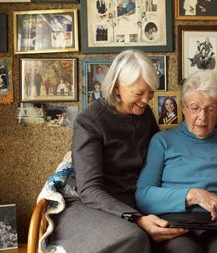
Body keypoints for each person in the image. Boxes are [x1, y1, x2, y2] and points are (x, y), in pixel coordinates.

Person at [48, 50, 187, 252]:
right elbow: (90, 190)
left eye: (150, 92)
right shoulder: (90, 121)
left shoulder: (145, 114)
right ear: (117, 88)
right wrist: (137, 218)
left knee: (179, 239)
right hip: (89, 204)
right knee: (133, 237)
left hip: (135, 200)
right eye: (139, 93)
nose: (146, 100)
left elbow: (161, 157)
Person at [136, 70, 217, 253]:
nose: (202, 117)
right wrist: (192, 195)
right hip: (177, 223)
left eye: (210, 109)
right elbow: (143, 195)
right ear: (184, 107)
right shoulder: (162, 141)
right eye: (195, 108)